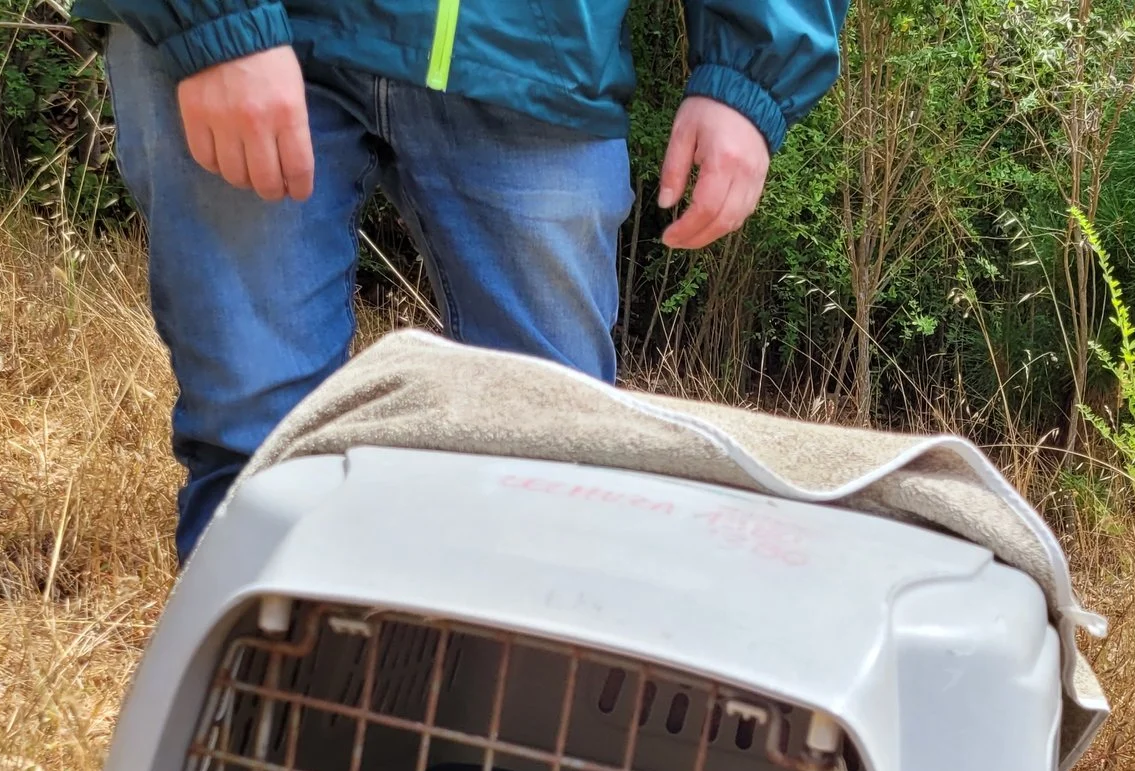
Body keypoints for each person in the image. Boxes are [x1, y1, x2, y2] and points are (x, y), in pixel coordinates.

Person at [79, 0, 849, 555]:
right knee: (257, 456)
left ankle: (502, 769)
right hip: (244, 36)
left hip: (538, 48)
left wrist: (754, 58)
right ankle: (261, 769)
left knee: (558, 465)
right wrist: (213, 17)